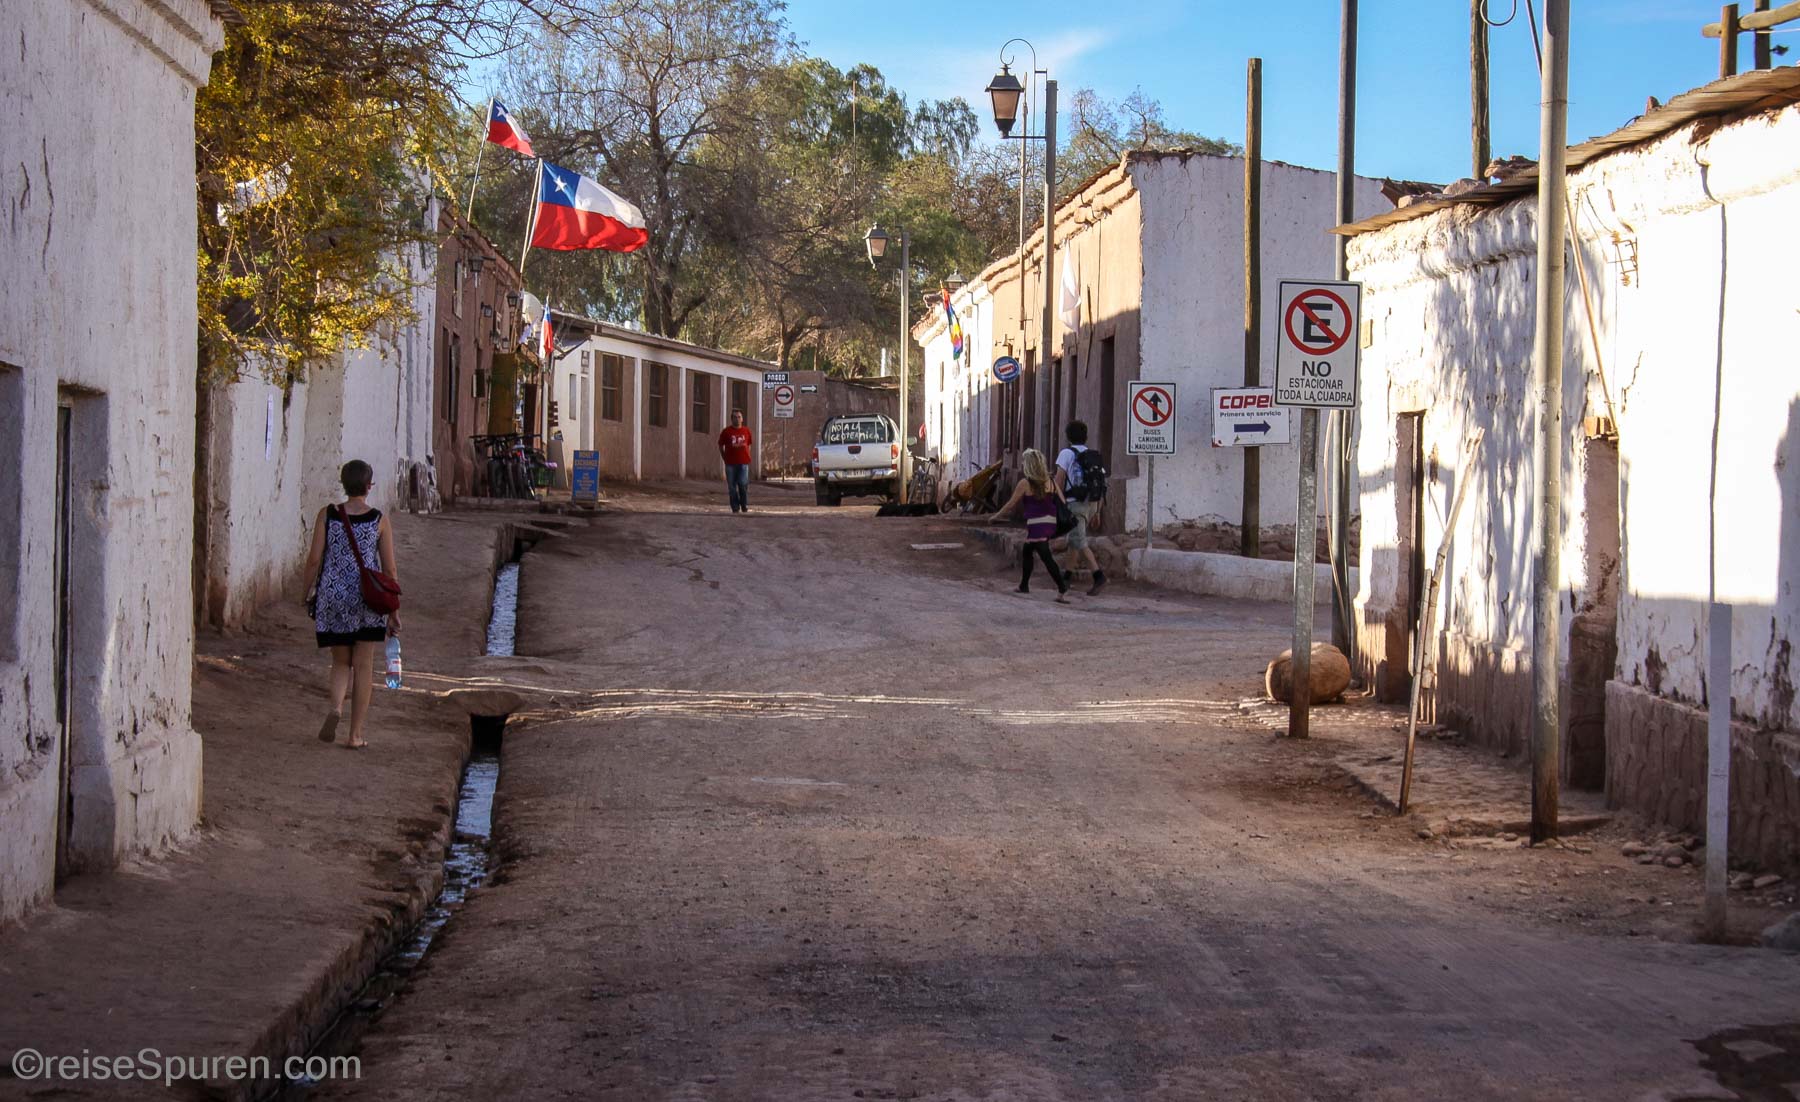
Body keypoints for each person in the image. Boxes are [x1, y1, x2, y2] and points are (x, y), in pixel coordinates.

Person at [303, 459, 399, 749]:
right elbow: (389, 569)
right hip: (366, 599)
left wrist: (305, 592)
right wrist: (394, 611)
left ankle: (335, 707)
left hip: (333, 596)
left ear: (343, 484)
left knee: (340, 661)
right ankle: (355, 734)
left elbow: (314, 559)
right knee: (364, 665)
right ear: (369, 486)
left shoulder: (327, 515)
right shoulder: (379, 520)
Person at [992, 448, 1071, 604]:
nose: (1022, 464)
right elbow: (1062, 501)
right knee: (1027, 550)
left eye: (1024, 462)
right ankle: (1024, 585)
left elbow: (1010, 504)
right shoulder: (1051, 482)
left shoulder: (1025, 483)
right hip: (1050, 522)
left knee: (1045, 556)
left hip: (1036, 524)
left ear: (1029, 465)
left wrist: (995, 516)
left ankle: (1062, 587)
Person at [1054, 420, 1108, 596]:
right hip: (1092, 503)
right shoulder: (1093, 456)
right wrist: (1098, 512)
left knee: (1079, 541)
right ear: (1086, 437)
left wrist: (1058, 502)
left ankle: (1098, 576)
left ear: (1068, 437)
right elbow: (1101, 484)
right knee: (1074, 540)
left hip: (1075, 503)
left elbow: (1059, 480)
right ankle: (1066, 578)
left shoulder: (1066, 454)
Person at [718, 409, 754, 513]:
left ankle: (744, 504)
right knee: (732, 487)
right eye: (735, 417)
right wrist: (724, 457)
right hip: (730, 463)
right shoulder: (726, 432)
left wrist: (747, 455)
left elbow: (749, 444)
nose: (737, 419)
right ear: (731, 419)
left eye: (739, 417)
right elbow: (720, 445)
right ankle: (735, 507)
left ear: (742, 419)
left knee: (743, 484)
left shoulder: (746, 431)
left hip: (743, 462)